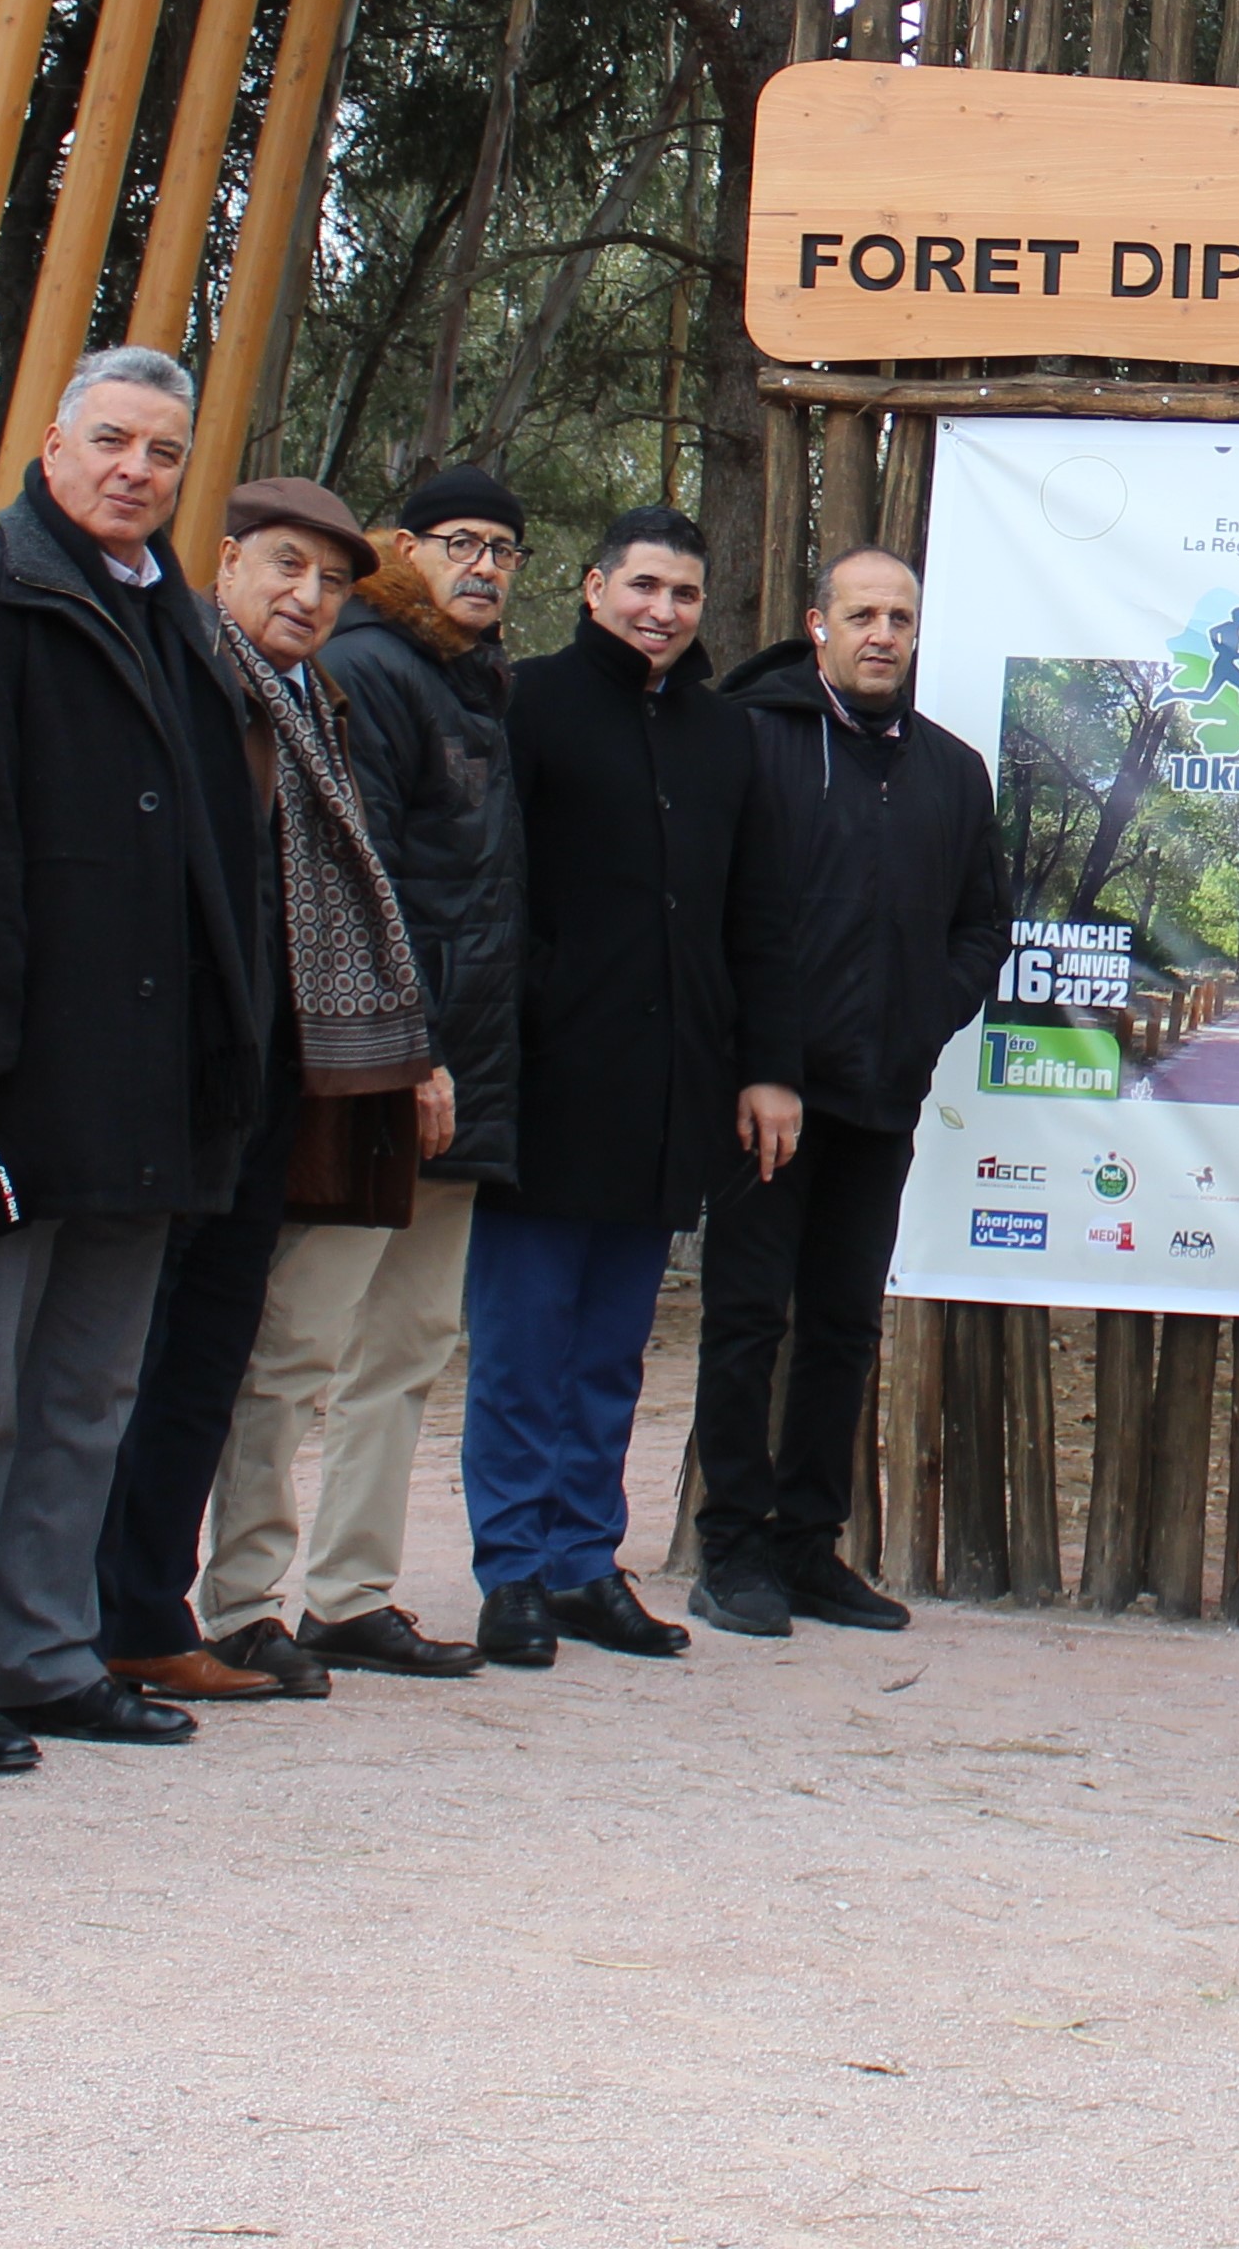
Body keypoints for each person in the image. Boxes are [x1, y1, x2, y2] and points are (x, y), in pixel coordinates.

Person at [0, 347, 264, 1772]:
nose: (134, 471)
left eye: (160, 449)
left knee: (88, 1388)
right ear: (51, 445)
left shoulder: (182, 623)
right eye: (110, 442)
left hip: (146, 1071)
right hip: (4, 1072)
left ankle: (40, 1653)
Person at [91, 480, 454, 1707]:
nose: (306, 597)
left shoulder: (322, 700)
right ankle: (82, 1610)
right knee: (129, 1351)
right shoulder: (194, 677)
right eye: (285, 568)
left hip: (274, 1075)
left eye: (331, 581)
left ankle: (147, 1610)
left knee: (205, 1354)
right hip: (180, 1066)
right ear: (230, 561)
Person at [200, 466, 532, 1683]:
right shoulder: (371, 675)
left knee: (408, 1347)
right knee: (301, 1345)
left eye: (504, 545)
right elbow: (363, 878)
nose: (484, 563)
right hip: (373, 1073)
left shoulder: (479, 686)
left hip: (464, 1082)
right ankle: (241, 1596)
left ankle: (351, 1589)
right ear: (404, 549)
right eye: (460, 540)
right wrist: (415, 1052)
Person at [470, 504, 770, 1665]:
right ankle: (511, 1573)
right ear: (594, 588)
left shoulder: (721, 733)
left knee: (610, 1348)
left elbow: (756, 912)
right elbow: (491, 884)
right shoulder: (528, 701)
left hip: (669, 1088)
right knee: (521, 1340)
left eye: (685, 593)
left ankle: (585, 1562)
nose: (664, 609)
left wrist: (759, 1065)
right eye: (644, 586)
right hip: (549, 1076)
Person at [688, 546, 1006, 1637]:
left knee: (840, 1323)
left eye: (901, 616)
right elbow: (721, 908)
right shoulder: (754, 737)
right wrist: (761, 1063)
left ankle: (806, 1544)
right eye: (861, 612)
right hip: (767, 1098)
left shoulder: (954, 772)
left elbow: (981, 925)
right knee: (744, 1319)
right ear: (816, 624)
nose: (883, 632)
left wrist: (921, 1018)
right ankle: (730, 1548)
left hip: (882, 1092)